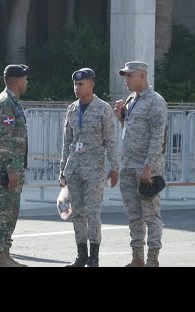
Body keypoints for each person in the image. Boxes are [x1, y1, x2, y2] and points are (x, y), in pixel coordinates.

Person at [59, 68, 119, 267]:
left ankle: (94, 257)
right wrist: (62, 170)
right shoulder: (72, 109)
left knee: (93, 212)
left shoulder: (103, 109)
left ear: (92, 84)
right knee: (77, 212)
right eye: (75, 84)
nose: (77, 88)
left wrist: (114, 167)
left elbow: (110, 141)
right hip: (74, 168)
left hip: (94, 169)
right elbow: (67, 141)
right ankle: (81, 255)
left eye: (81, 84)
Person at [114, 61, 168, 267]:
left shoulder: (155, 101)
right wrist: (121, 118)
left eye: (130, 76)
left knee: (151, 215)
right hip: (128, 165)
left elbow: (157, 137)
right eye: (125, 76)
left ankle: (153, 259)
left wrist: (149, 167)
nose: (126, 80)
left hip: (145, 168)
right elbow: (130, 131)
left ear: (142, 76)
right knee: (133, 215)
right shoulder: (132, 99)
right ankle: (137, 258)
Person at [0, 64, 29, 267]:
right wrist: (11, 169)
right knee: (4, 210)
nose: (26, 82)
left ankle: (4, 253)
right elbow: (3, 139)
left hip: (12, 165)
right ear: (15, 81)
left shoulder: (13, 102)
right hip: (6, 167)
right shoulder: (6, 103)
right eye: (24, 78)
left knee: (11, 210)